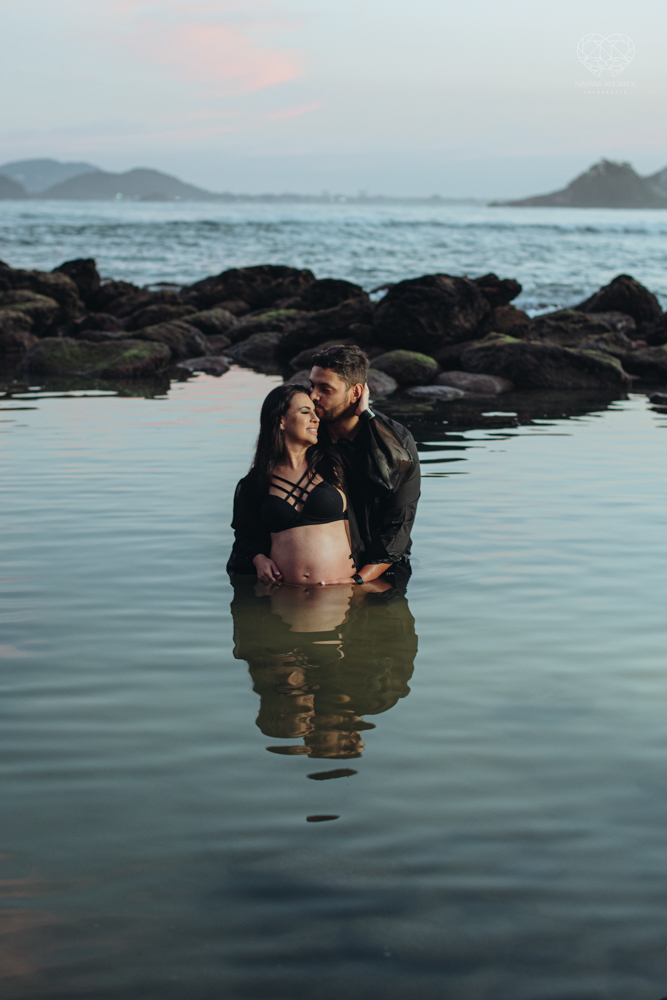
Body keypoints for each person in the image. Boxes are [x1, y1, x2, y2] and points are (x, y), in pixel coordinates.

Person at [309, 344, 420, 588]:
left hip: (382, 571)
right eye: (312, 386)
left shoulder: (397, 440)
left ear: (356, 392)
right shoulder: (309, 434)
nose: (313, 396)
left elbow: (398, 524)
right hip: (322, 574)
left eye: (325, 389)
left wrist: (358, 581)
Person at [227, 383, 360, 585]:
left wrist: (364, 411)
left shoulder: (335, 466)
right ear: (280, 420)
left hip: (342, 596)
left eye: (315, 413)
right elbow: (244, 536)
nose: (315, 419)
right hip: (283, 598)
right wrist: (258, 558)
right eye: (305, 412)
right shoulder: (255, 482)